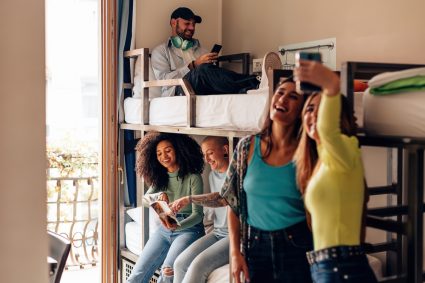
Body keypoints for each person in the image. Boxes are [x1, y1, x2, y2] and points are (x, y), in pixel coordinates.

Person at [221, 77, 313, 283]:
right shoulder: (246, 147)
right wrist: (235, 252)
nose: (283, 100)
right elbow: (232, 203)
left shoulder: (308, 152)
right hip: (255, 246)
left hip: (297, 246)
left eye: (293, 97)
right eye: (280, 93)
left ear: (301, 109)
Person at [293, 61, 377, 283]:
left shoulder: (346, 148)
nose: (313, 116)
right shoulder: (321, 160)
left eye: (322, 110)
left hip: (342, 268)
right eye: (309, 109)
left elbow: (328, 131)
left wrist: (331, 86)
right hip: (329, 267)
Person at [127, 132, 205, 283]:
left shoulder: (193, 177)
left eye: (168, 150)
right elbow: (144, 201)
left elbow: (198, 215)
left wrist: (177, 226)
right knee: (137, 273)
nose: (164, 156)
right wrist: (158, 196)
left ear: (178, 149)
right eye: (159, 153)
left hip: (189, 229)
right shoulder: (160, 178)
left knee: (168, 271)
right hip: (165, 230)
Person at [151, 7, 262, 97]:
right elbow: (164, 81)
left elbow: (214, 77)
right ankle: (255, 82)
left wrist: (212, 67)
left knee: (210, 70)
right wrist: (193, 65)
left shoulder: (201, 50)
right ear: (174, 23)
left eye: (193, 24)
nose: (192, 27)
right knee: (202, 70)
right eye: (187, 23)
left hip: (203, 88)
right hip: (178, 91)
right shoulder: (161, 51)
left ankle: (251, 87)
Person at [171, 136, 230, 283]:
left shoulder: (236, 174)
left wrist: (189, 199)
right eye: (204, 155)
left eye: (209, 153)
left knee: (197, 266)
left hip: (235, 236)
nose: (207, 159)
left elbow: (221, 199)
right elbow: (213, 204)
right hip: (218, 232)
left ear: (225, 149)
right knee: (179, 264)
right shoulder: (212, 175)